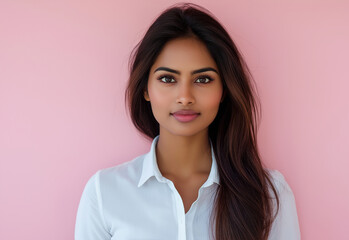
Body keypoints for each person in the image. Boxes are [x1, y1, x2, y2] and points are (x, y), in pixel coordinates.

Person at [75, 3, 300, 240]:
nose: (185, 97)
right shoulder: (104, 193)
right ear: (146, 89)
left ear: (224, 89)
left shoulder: (269, 194)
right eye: (167, 79)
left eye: (203, 79)